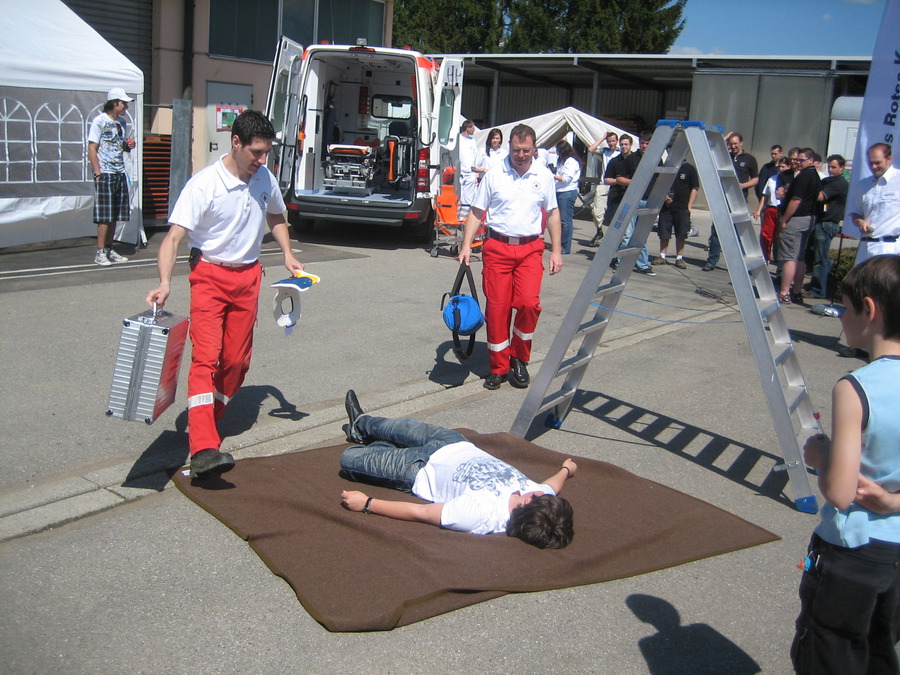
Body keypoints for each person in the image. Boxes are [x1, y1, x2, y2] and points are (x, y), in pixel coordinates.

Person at [146, 110, 304, 479]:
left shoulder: (264, 177)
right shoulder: (204, 185)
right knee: (206, 358)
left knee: (236, 362)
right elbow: (172, 238)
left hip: (248, 277)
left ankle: (206, 420)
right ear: (236, 143)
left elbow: (276, 216)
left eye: (266, 153)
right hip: (209, 276)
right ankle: (203, 447)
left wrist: (287, 253)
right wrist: (165, 282)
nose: (262, 160)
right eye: (256, 152)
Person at [792, 255, 900, 674]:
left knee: (829, 651)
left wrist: (822, 457)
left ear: (869, 310)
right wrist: (892, 502)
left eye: (845, 307)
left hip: (852, 550)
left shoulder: (856, 387)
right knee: (879, 649)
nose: (840, 316)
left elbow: (840, 492)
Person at [338, 390, 576, 549]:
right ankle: (360, 424)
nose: (539, 491)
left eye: (537, 496)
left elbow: (421, 512)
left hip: (420, 469)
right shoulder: (541, 499)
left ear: (525, 505)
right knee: (397, 427)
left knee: (350, 459)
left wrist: (367, 503)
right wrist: (566, 470)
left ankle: (377, 445)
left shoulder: (480, 515)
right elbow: (552, 486)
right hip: (453, 443)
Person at [457, 123, 562, 391]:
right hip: (497, 248)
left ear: (534, 149)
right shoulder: (494, 174)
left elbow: (552, 213)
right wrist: (466, 245)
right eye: (516, 150)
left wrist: (556, 250)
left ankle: (519, 358)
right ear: (509, 147)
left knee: (528, 304)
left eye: (526, 150)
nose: (521, 155)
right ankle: (499, 367)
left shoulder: (544, 175)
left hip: (530, 249)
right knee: (497, 309)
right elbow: (477, 211)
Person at [88, 86, 136, 266]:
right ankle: (100, 252)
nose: (126, 107)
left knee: (114, 214)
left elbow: (119, 145)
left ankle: (109, 248)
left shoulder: (121, 123)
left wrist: (128, 145)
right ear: (114, 103)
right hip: (105, 173)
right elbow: (92, 148)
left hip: (119, 172)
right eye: (123, 103)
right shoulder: (99, 121)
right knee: (104, 215)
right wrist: (98, 173)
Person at [704, 133, 757, 271]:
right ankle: (712, 261)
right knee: (716, 231)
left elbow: (755, 179)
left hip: (739, 200)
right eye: (730, 144)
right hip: (722, 198)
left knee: (739, 233)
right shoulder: (724, 156)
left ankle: (738, 264)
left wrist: (742, 186)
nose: (733, 146)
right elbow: (709, 149)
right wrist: (724, 139)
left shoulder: (749, 159)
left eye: (735, 144)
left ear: (741, 143)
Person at [605, 133, 655, 276]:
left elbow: (659, 179)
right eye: (643, 143)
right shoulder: (629, 160)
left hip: (648, 200)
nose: (644, 146)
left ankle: (642, 264)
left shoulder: (656, 158)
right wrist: (635, 183)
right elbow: (618, 179)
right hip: (630, 199)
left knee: (641, 235)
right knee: (627, 234)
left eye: (647, 143)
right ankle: (620, 263)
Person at [777, 148, 821, 304]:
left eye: (801, 160)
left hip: (796, 219)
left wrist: (785, 219)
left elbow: (796, 201)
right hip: (808, 218)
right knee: (800, 257)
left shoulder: (804, 176)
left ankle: (784, 293)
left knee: (789, 257)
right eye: (797, 160)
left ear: (810, 160)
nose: (798, 162)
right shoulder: (815, 176)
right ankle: (796, 291)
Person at [847, 143, 900, 264]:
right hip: (865, 247)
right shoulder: (862, 185)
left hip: (890, 247)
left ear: (889, 159)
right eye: (870, 163)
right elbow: (855, 212)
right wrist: (859, 222)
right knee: (859, 277)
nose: (874, 167)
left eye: (877, 162)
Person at [807, 154, 849, 299]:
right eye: (829, 167)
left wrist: (806, 189)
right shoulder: (827, 181)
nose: (831, 170)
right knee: (813, 254)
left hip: (827, 224)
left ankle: (818, 290)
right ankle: (820, 279)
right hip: (820, 221)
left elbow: (820, 197)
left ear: (842, 168)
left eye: (834, 167)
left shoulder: (840, 183)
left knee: (820, 259)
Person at [652, 160, 698, 269]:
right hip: (666, 208)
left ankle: (679, 258)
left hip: (682, 208)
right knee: (664, 232)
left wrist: (689, 206)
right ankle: (662, 256)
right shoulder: (666, 168)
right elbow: (658, 184)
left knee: (681, 234)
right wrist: (664, 197)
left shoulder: (690, 169)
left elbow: (695, 188)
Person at [753, 156, 791, 264]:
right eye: (779, 167)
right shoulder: (772, 179)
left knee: (780, 237)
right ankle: (765, 258)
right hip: (771, 209)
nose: (781, 169)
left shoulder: (791, 179)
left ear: (788, 167)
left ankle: (780, 261)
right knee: (766, 235)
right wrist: (759, 210)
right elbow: (765, 196)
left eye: (783, 167)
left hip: (782, 210)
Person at [587, 131, 619, 246]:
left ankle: (614, 238)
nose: (611, 143)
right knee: (596, 212)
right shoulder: (605, 151)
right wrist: (602, 138)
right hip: (603, 184)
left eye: (613, 141)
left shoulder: (620, 153)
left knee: (614, 213)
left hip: (616, 185)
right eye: (609, 141)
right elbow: (591, 149)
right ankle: (599, 230)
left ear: (617, 141)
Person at [553, 140, 582, 255]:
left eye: (559, 151)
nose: (558, 154)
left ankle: (565, 246)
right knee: (558, 220)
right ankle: (559, 244)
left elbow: (566, 179)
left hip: (567, 192)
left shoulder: (571, 162)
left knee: (565, 220)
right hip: (559, 191)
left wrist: (552, 175)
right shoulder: (561, 160)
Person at [457, 120, 479, 221]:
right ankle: (457, 217)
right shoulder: (458, 139)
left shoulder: (472, 140)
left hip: (470, 173)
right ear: (468, 128)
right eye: (473, 128)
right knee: (459, 196)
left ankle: (464, 218)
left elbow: (475, 155)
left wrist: (476, 171)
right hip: (459, 172)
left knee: (469, 198)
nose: (474, 130)